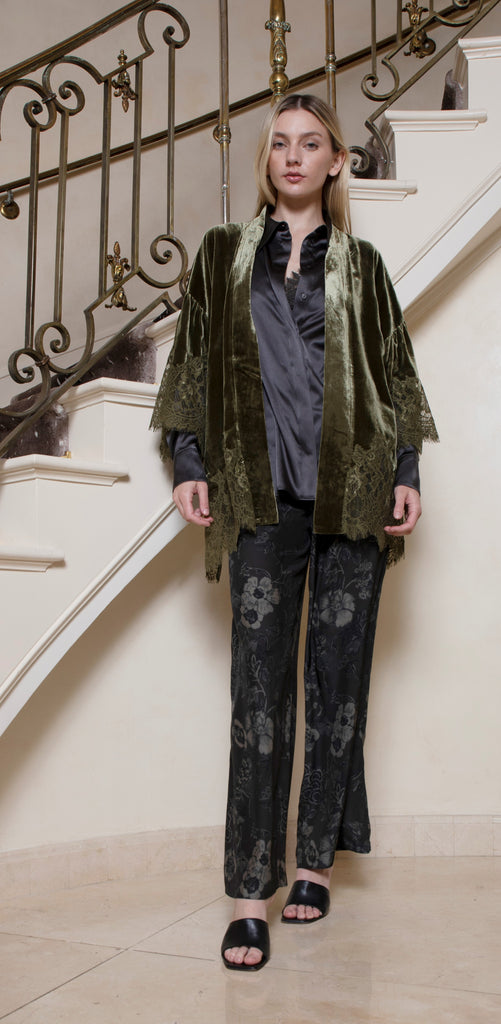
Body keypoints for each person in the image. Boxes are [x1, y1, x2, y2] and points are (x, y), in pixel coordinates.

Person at [151, 93, 438, 971]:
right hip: (259, 500)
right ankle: (250, 895)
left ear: (336, 161)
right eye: (279, 142)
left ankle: (314, 862)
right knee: (258, 696)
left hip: (352, 496)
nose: (293, 155)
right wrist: (189, 463)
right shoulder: (221, 255)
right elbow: (191, 364)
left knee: (337, 685)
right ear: (266, 157)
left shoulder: (363, 264)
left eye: (310, 143)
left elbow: (393, 375)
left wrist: (404, 474)